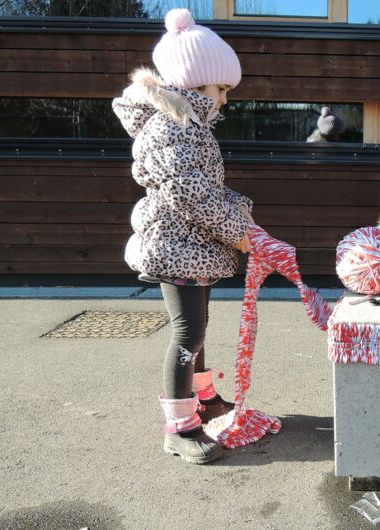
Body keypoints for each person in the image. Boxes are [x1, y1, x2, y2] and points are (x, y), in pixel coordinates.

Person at [112, 9, 254, 464]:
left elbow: (206, 190)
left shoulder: (188, 124)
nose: (225, 100)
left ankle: (205, 400)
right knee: (187, 332)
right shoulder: (174, 126)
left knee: (199, 330)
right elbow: (191, 196)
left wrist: (242, 218)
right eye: (221, 89)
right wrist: (239, 233)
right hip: (176, 248)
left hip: (192, 248)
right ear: (194, 84)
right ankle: (179, 426)